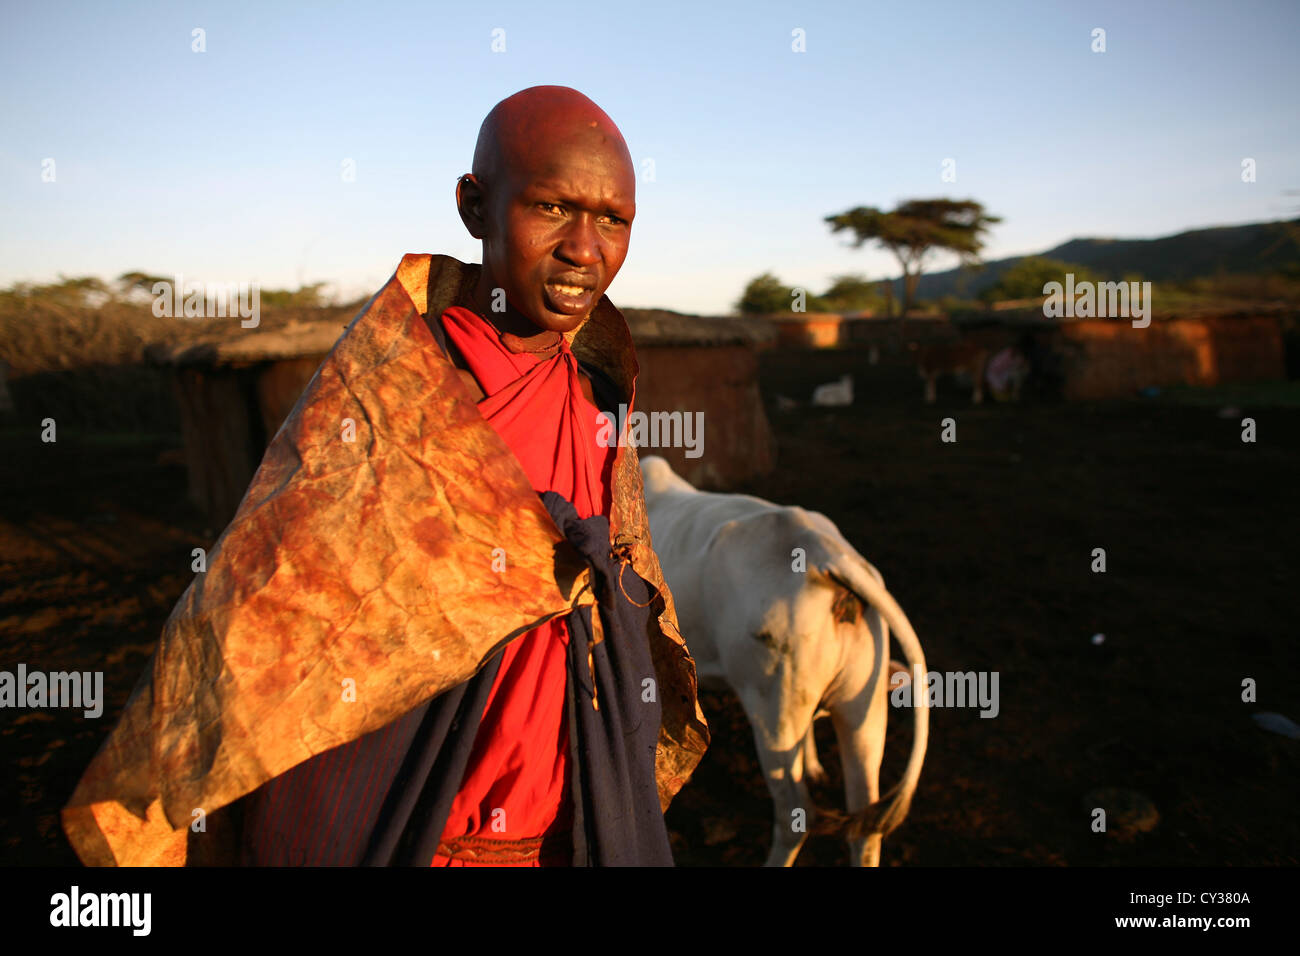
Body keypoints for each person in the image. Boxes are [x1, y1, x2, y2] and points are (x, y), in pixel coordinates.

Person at [61, 86, 709, 867]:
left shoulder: (598, 392)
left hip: (569, 823)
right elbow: (260, 604)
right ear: (475, 206)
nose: (584, 247)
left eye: (613, 220)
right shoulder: (396, 388)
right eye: (551, 209)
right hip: (404, 819)